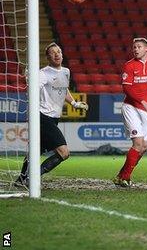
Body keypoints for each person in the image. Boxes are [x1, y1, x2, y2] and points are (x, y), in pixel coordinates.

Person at [14, 43, 89, 187]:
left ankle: (22, 179)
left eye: (59, 51)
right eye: (53, 52)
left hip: (54, 118)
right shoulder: (43, 74)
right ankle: (32, 177)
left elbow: (64, 89)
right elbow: (32, 91)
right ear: (48, 57)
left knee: (35, 150)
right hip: (43, 117)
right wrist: (31, 81)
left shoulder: (66, 71)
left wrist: (74, 104)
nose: (57, 54)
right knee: (64, 152)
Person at [113, 38, 147, 187]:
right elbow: (127, 89)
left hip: (143, 109)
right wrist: (142, 101)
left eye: (139, 47)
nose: (136, 49)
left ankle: (121, 176)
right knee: (138, 143)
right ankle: (125, 178)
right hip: (130, 107)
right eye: (134, 47)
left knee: (144, 146)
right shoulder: (129, 65)